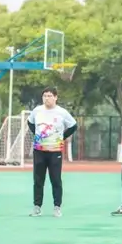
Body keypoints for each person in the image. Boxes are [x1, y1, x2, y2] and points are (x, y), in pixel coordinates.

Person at [27, 87, 78, 218]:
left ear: (55, 97)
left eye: (50, 96)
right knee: (38, 179)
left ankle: (57, 207)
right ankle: (37, 207)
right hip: (39, 151)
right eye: (45, 96)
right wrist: (38, 136)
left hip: (55, 151)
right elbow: (30, 122)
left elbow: (73, 126)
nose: (47, 98)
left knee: (55, 179)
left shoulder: (62, 112)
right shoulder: (37, 111)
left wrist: (62, 137)